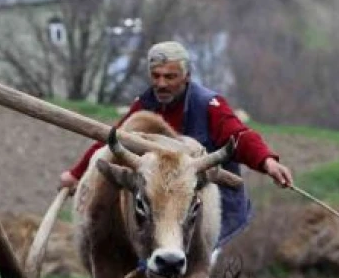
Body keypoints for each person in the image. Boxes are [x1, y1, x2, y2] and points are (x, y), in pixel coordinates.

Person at [59, 41, 293, 249]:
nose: (161, 83)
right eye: (156, 75)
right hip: (164, 212)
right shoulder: (144, 105)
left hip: (209, 210)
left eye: (170, 77)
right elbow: (113, 142)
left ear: (187, 76)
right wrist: (76, 174)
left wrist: (267, 161)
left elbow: (239, 135)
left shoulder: (209, 105)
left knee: (199, 274)